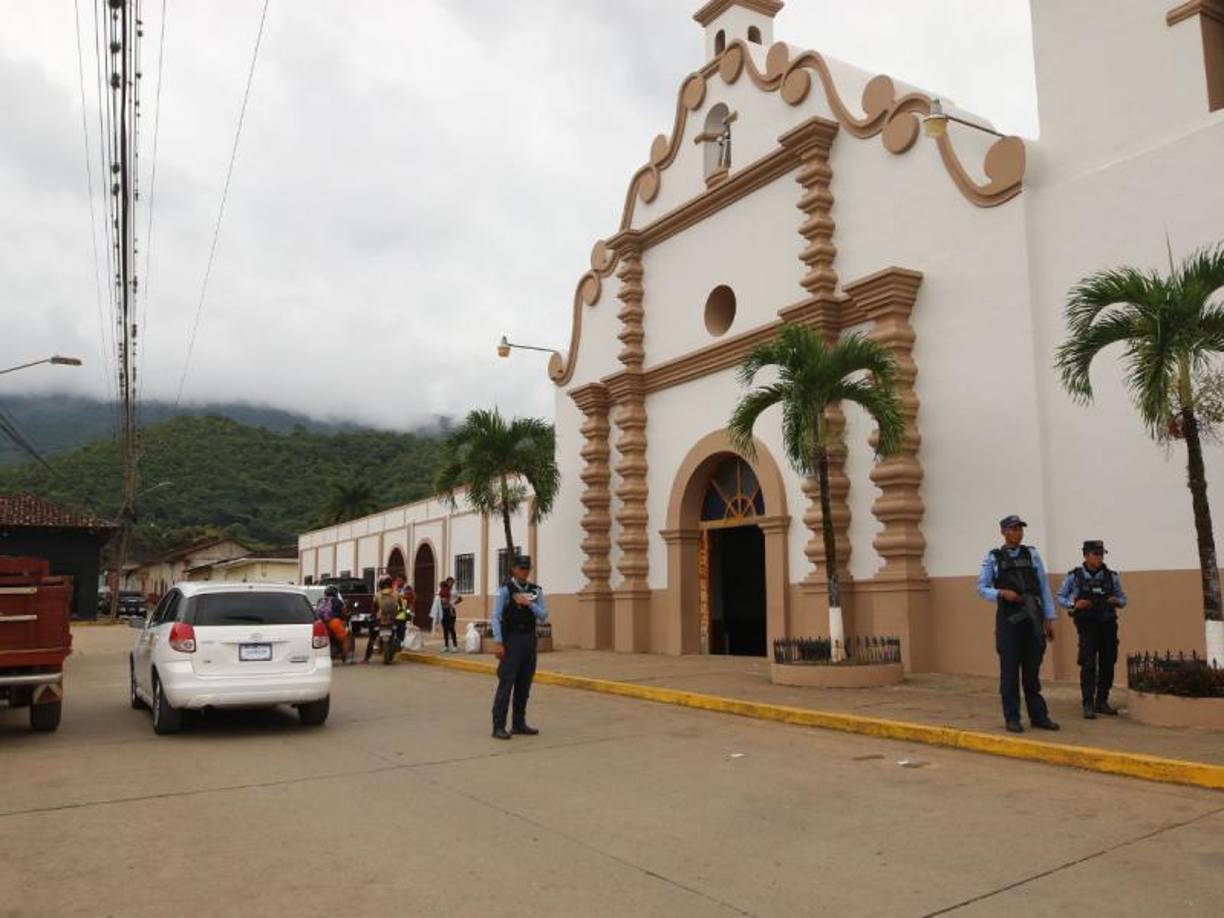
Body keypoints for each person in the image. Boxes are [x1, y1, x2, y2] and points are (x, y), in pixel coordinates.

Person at [977, 515, 1060, 733]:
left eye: (1020, 529)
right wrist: (1001, 593)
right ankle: (1012, 717)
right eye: (1013, 529)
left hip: (1032, 617)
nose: (1018, 533)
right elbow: (982, 588)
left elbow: (1043, 587)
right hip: (1009, 620)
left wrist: (1049, 619)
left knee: (1032, 672)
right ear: (1004, 532)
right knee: (1010, 672)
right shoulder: (993, 557)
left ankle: (1039, 717)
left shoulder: (1031, 554)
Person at [1057, 540, 1127, 719]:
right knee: (1088, 664)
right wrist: (1074, 603)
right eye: (1095, 554)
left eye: (1101, 554)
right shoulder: (1075, 576)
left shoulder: (1112, 576)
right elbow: (1061, 597)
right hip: (1087, 625)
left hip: (1108, 623)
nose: (1099, 557)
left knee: (1108, 662)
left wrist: (1117, 601)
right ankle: (1087, 703)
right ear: (1086, 555)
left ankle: (1101, 701)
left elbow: (1123, 598)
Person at [490, 556, 548, 740]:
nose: (525, 571)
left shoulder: (535, 591)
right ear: (513, 569)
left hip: (529, 640)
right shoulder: (505, 591)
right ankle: (498, 726)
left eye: (527, 568)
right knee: (506, 683)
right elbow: (496, 617)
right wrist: (499, 642)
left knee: (525, 683)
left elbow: (544, 615)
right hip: (512, 640)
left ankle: (518, 723)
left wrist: (528, 603)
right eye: (521, 568)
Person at [364, 575, 399, 663]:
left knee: (372, 637)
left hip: (381, 619)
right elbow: (401, 607)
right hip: (393, 619)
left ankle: (366, 658)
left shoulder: (378, 594)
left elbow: (374, 608)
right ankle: (397, 645)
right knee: (399, 634)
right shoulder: (396, 593)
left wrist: (372, 615)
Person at [316, 585, 350, 664]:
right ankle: (345, 659)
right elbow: (343, 612)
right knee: (345, 639)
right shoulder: (337, 601)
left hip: (320, 623)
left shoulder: (320, 600)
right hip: (333, 622)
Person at [439, 576, 462, 653]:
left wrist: (453, 603)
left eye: (451, 582)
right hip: (444, 610)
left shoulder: (454, 591)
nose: (450, 583)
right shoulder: (443, 590)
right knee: (445, 628)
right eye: (449, 582)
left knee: (451, 627)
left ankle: (455, 646)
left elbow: (460, 599)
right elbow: (439, 598)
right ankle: (446, 646)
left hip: (451, 611)